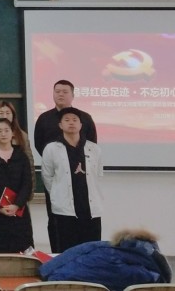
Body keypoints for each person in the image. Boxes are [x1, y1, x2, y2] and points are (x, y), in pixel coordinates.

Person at [35, 79, 98, 252]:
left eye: (65, 92)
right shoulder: (44, 119)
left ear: (73, 95)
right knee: (56, 220)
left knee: (85, 220)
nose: (60, 94)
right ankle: (58, 255)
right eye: (57, 91)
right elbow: (39, 145)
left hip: (81, 180)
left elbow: (92, 147)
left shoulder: (85, 118)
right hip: (56, 177)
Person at [42, 107, 103, 251]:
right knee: (66, 251)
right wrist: (57, 193)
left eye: (75, 120)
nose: (71, 123)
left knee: (91, 252)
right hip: (64, 211)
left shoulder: (94, 149)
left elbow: (98, 175)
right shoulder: (51, 149)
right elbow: (47, 177)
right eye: (67, 120)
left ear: (81, 125)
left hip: (90, 211)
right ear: (60, 125)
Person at [39, 229, 172, 291]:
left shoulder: (104, 247)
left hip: (47, 277)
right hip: (58, 283)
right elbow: (152, 280)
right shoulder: (124, 262)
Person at [0, 118, 34, 252]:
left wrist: (17, 205)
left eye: (6, 130)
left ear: (13, 133)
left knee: (21, 250)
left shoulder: (22, 156)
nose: (3, 134)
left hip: (19, 212)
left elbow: (27, 183)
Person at [0, 101, 34, 189]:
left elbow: (29, 164)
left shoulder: (22, 136)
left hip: (18, 186)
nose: (5, 116)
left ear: (13, 115)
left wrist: (30, 190)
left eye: (8, 113)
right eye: (1, 113)